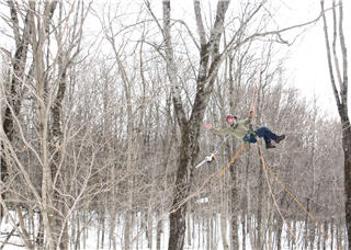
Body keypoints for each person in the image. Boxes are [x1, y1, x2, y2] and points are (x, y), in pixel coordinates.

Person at [205, 111, 285, 149]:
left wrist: (250, 115)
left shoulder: (240, 123)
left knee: (265, 130)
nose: (230, 120)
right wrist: (211, 128)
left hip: (252, 134)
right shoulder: (230, 129)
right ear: (228, 122)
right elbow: (220, 132)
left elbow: (248, 120)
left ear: (234, 119)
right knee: (263, 129)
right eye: (228, 120)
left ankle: (268, 144)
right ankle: (276, 138)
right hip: (248, 138)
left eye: (231, 118)